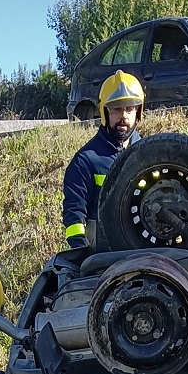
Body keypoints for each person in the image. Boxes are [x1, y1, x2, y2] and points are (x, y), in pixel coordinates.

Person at [62, 71, 144, 249]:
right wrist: (81, 252)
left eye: (129, 109)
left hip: (143, 247)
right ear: (104, 111)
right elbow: (74, 215)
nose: (123, 116)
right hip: (103, 253)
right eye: (116, 109)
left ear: (138, 111)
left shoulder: (149, 154)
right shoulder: (85, 161)